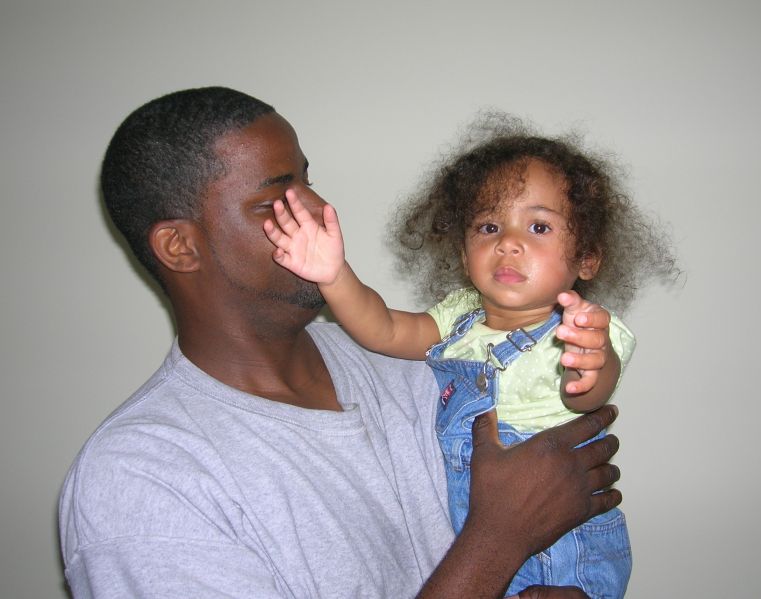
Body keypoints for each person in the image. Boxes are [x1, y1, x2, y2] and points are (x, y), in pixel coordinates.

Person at [59, 87, 625, 599]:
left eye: (307, 183)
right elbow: (505, 529)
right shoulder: (143, 477)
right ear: (180, 247)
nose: (318, 210)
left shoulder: (415, 368)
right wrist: (498, 540)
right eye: (274, 202)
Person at [264, 115, 676, 597]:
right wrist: (334, 276)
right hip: (481, 538)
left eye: (539, 226)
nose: (508, 243)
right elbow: (384, 329)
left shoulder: (582, 328)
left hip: (565, 545)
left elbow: (587, 399)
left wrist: (588, 364)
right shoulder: (458, 318)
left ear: (586, 258)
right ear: (464, 254)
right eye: (489, 226)